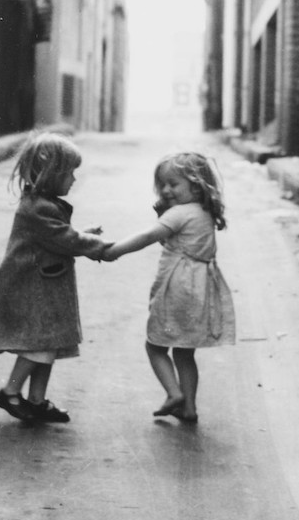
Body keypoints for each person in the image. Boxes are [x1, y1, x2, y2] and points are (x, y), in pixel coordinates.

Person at [0, 132, 108, 424]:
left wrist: (82, 235)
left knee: (48, 344)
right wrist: (98, 248)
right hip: (30, 288)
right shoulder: (38, 208)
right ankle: (10, 392)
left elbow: (57, 237)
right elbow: (65, 239)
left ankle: (36, 400)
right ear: (51, 174)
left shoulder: (43, 204)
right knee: (40, 345)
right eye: (70, 173)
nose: (73, 179)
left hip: (43, 286)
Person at [101, 152, 235, 423]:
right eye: (162, 184)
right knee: (185, 351)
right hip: (200, 289)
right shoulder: (204, 211)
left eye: (173, 184)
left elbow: (150, 236)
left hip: (178, 288)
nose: (165, 190)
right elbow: (177, 243)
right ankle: (189, 407)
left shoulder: (178, 213)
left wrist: (113, 250)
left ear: (196, 185)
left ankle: (173, 393)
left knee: (156, 346)